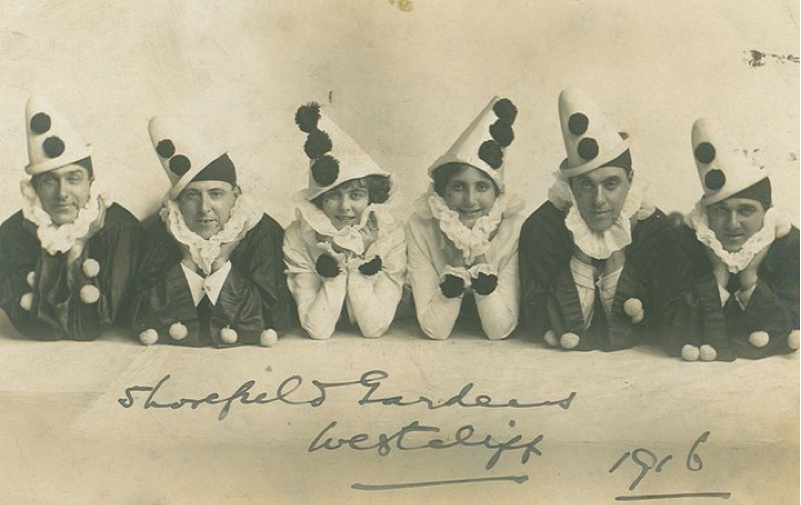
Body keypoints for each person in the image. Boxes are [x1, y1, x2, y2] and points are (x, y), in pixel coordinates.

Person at [519, 88, 670, 352]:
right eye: (586, 185)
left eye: (611, 184)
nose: (599, 200)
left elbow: (657, 325)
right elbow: (543, 322)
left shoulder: (656, 229)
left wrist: (617, 261)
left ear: (630, 180)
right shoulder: (542, 228)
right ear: (570, 186)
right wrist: (580, 258)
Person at [132, 117, 289, 347]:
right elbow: (137, 317)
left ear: (235, 195)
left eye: (215, 194)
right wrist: (187, 262)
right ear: (178, 201)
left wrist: (220, 264)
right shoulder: (162, 231)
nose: (204, 208)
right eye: (192, 195)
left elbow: (276, 318)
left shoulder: (262, 232)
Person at [656, 118, 799, 361]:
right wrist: (717, 278)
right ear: (707, 213)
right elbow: (668, 329)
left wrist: (750, 278)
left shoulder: (790, 246)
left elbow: (792, 325)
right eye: (721, 211)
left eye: (745, 210)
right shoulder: (684, 243)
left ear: (766, 213)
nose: (732, 224)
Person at [0, 95, 141, 340]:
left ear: (91, 184)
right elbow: (41, 329)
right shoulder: (10, 235)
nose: (62, 193)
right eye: (49, 181)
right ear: (34, 188)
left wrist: (78, 246)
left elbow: (88, 327)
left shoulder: (122, 231)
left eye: (73, 179)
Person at [283, 102, 406, 340]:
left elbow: (374, 328)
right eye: (333, 196)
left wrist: (359, 262)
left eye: (356, 195)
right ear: (319, 201)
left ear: (371, 197)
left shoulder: (390, 234)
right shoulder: (298, 235)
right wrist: (337, 266)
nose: (345, 206)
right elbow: (318, 330)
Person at [406, 97, 524, 340]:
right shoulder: (421, 226)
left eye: (482, 187)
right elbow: (435, 330)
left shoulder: (514, 227)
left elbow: (499, 330)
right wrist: (457, 262)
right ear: (443, 190)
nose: (470, 200)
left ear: (497, 193)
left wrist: (480, 258)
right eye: (459, 187)